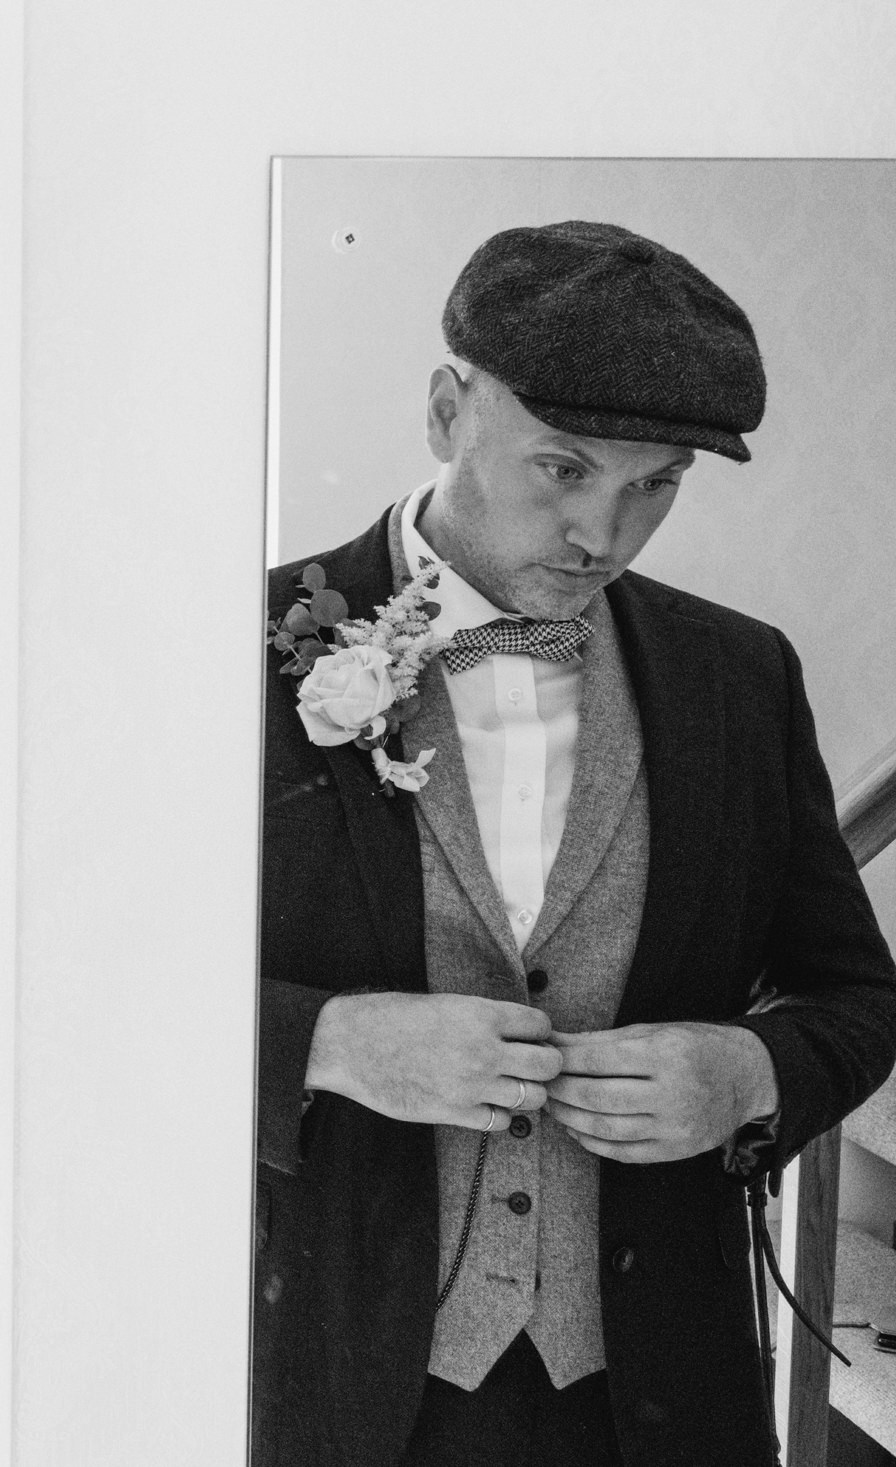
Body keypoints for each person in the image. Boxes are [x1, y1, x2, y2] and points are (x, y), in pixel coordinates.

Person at [254, 222, 896, 1467]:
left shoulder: (738, 676)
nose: (603, 533)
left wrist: (750, 1076)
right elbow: (77, 1000)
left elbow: (855, 998)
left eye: (654, 485)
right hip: (319, 1363)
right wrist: (323, 1044)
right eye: (562, 470)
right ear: (448, 411)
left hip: (651, 1383)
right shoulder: (223, 645)